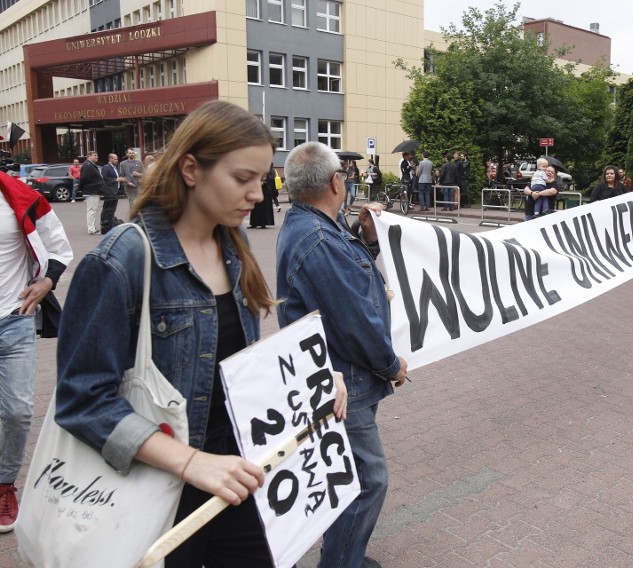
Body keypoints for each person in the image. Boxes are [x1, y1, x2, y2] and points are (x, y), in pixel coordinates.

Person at [54, 101, 346, 567]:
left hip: (236, 470)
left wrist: (313, 377)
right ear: (191, 168)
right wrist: (191, 463)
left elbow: (225, 359)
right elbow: (81, 398)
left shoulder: (234, 242)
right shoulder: (120, 259)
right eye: (241, 178)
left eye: (262, 178)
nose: (257, 193)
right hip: (158, 487)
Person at [276, 141, 408, 568]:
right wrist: (390, 365)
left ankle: (344, 553)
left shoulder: (315, 226)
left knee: (350, 474)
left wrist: (367, 239)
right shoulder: (318, 238)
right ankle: (340, 562)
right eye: (345, 177)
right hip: (343, 379)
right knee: (369, 480)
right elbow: (354, 320)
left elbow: (347, 278)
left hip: (337, 374)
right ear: (336, 182)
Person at [0, 172, 73, 533]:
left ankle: (4, 483)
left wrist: (48, 281)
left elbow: (59, 246)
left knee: (16, 411)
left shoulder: (20, 196)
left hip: (14, 320)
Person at [100, 153, 126, 234]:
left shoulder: (116, 168)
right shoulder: (106, 167)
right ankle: (104, 224)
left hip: (115, 191)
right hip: (109, 191)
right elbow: (104, 179)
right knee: (107, 208)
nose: (117, 160)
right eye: (115, 159)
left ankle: (110, 223)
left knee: (112, 208)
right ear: (110, 159)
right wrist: (116, 180)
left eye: (117, 159)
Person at [79, 150, 104, 235]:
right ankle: (91, 229)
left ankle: (92, 227)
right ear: (89, 156)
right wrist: (81, 188)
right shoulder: (88, 165)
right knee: (92, 210)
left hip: (93, 190)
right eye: (94, 155)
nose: (96, 157)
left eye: (97, 156)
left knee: (92, 210)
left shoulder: (90, 165)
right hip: (91, 191)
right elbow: (83, 178)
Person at [249, 164, 277, 229]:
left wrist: (264, 181)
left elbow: (271, 178)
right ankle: (254, 223)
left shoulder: (271, 170)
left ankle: (263, 223)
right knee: (255, 207)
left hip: (266, 190)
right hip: (258, 189)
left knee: (264, 207)